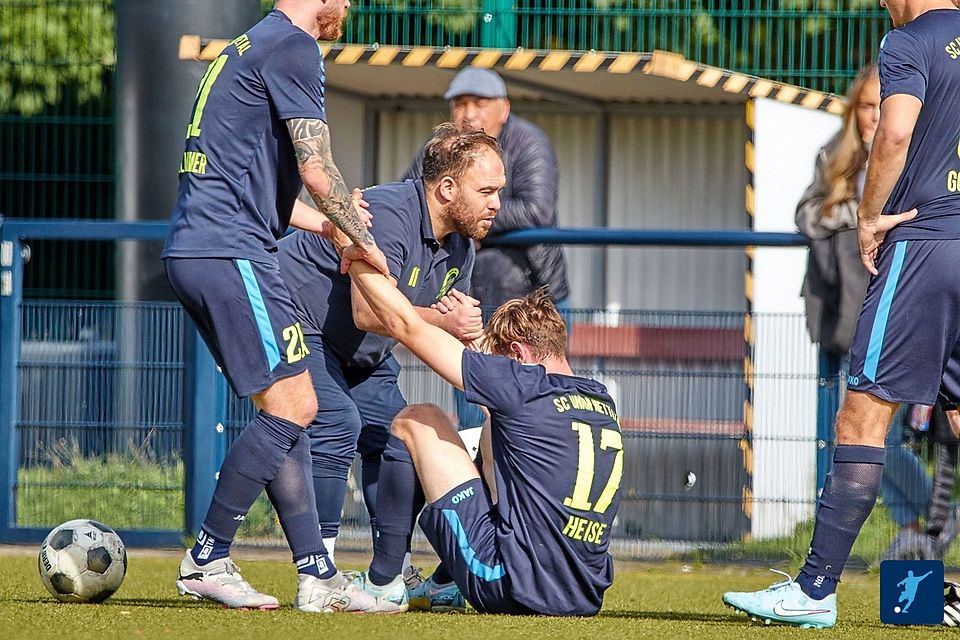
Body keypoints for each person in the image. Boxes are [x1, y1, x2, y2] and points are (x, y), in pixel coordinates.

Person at [723, 0, 960, 628]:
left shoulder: (908, 41)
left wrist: (870, 216)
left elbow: (897, 130)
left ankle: (814, 589)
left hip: (923, 246)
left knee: (860, 419)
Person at [161, 0, 396, 613]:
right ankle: (207, 556)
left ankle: (315, 574)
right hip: (232, 253)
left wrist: (325, 227)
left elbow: (258, 186)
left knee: (285, 403)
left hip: (202, 248)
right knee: (298, 404)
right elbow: (317, 170)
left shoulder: (249, 45)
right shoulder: (295, 46)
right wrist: (364, 244)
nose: (347, 3)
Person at [276, 124, 503, 592]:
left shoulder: (462, 245)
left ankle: (390, 574)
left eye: (499, 191)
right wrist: (446, 324)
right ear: (446, 188)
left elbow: (451, 332)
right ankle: (320, 575)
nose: (496, 203)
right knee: (337, 422)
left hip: (363, 354)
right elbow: (368, 312)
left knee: (401, 435)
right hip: (300, 319)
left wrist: (502, 399)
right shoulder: (386, 214)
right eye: (486, 191)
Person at [346, 258, 623, 615]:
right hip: (581, 594)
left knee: (417, 419)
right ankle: (445, 584)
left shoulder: (523, 385)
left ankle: (383, 583)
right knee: (491, 441)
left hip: (508, 584)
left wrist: (357, 260)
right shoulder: (600, 398)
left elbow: (406, 326)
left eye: (502, 360)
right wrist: (479, 343)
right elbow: (508, 430)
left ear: (519, 355)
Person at [404, 67, 570, 433]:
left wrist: (471, 222)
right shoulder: (441, 150)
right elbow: (412, 199)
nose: (468, 113)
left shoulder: (528, 142)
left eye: (479, 103)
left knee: (539, 405)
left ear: (504, 108)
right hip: (465, 298)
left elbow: (536, 210)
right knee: (472, 409)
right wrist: (465, 224)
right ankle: (479, 484)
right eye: (460, 103)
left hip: (531, 298)